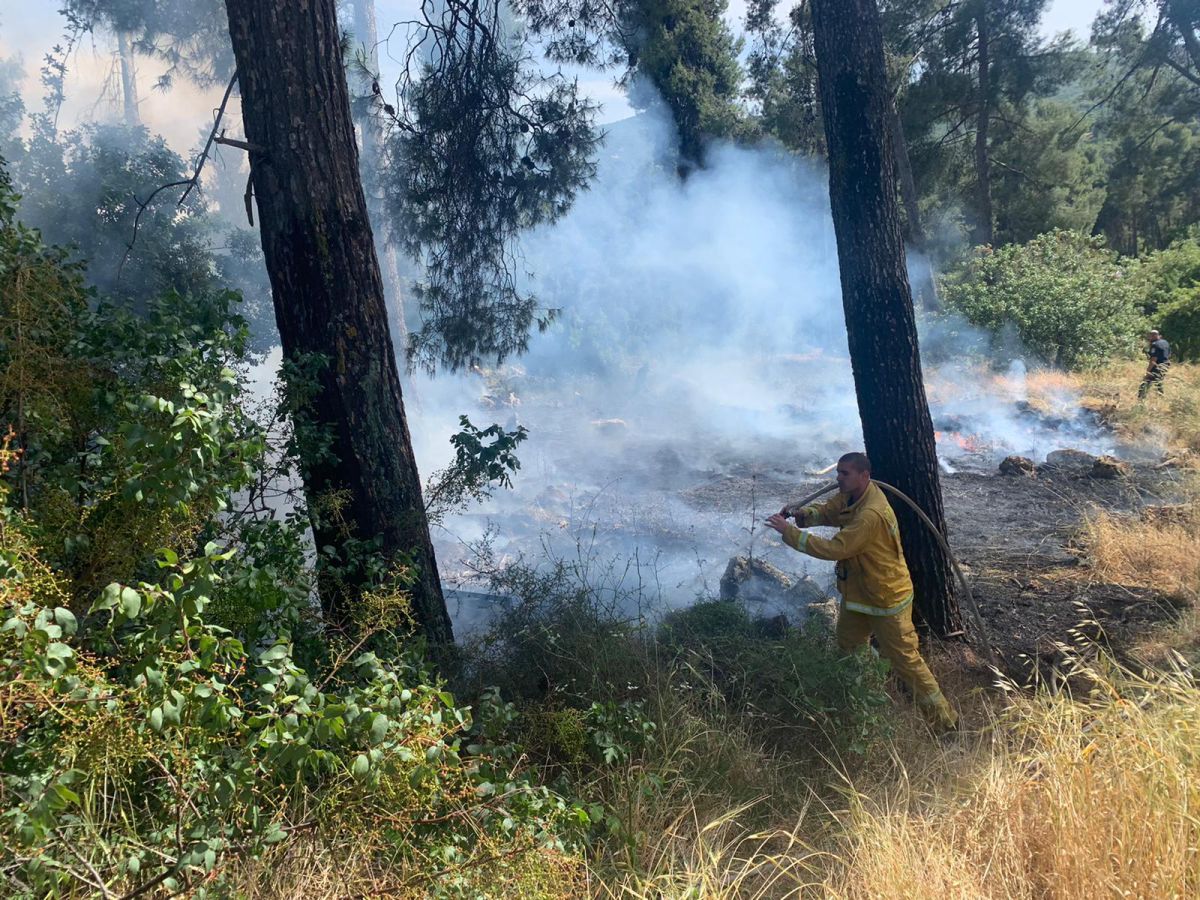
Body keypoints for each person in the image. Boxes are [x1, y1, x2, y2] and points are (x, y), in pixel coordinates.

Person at [766, 452, 957, 731]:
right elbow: (831, 511)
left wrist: (790, 533)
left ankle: (947, 724)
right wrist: (804, 515)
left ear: (864, 476)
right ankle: (863, 706)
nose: (838, 478)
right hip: (858, 594)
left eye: (845, 473)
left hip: (885, 597)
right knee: (849, 648)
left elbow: (837, 549)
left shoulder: (871, 515)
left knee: (905, 661)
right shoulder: (853, 495)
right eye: (838, 472)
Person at [1138, 329, 1171, 400]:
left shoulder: (1155, 345)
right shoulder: (1165, 342)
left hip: (1157, 365)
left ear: (1153, 336)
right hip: (1165, 365)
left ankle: (1140, 400)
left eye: (1150, 336)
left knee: (1145, 382)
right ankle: (1161, 397)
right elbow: (1169, 354)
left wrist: (1148, 371)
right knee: (1158, 381)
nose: (1149, 338)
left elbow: (1153, 359)